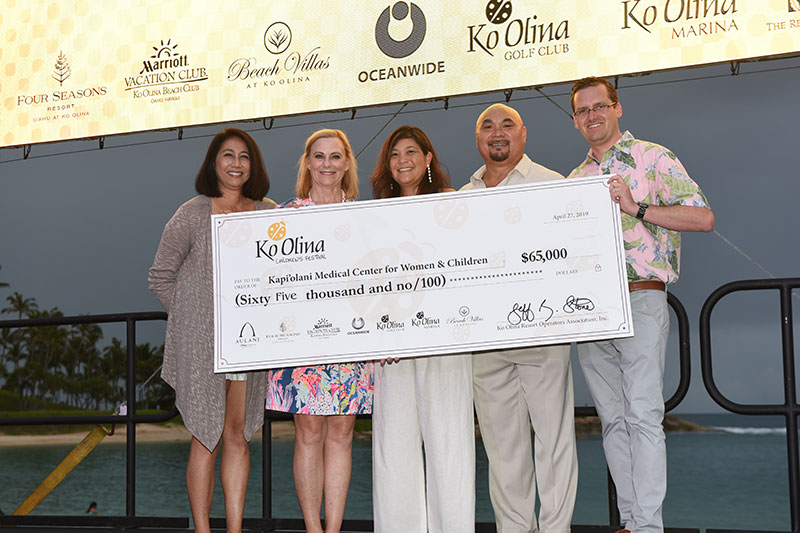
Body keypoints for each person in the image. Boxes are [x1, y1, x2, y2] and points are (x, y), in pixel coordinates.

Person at [568, 77, 714, 533]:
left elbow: (704, 217)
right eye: (582, 111)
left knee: (644, 415)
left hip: (642, 297)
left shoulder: (653, 157)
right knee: (612, 421)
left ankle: (650, 527)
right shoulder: (574, 180)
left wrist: (637, 208)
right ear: (575, 121)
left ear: (617, 109)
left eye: (599, 106)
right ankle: (631, 524)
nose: (592, 116)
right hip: (593, 310)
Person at [148, 128, 273, 533]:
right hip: (204, 347)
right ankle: (202, 529)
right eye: (227, 156)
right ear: (213, 163)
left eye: (244, 157)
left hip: (249, 342)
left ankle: (234, 528)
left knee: (237, 436)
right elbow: (160, 276)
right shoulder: (191, 214)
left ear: (252, 165)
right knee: (206, 435)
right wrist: (193, 323)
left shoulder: (268, 213)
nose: (236, 164)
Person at [461, 103, 578, 533]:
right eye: (487, 127)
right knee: (503, 449)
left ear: (523, 135)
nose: (497, 133)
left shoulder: (553, 184)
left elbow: (573, 254)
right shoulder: (463, 198)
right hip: (485, 343)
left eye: (506, 125)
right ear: (477, 140)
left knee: (554, 443)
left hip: (542, 335)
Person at [265, 129, 372, 533]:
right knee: (308, 430)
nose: (327, 164)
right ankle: (313, 528)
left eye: (335, 156)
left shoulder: (365, 217)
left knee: (342, 431)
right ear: (307, 162)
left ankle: (335, 528)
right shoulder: (282, 217)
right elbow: (270, 280)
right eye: (319, 156)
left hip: (352, 338)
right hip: (301, 340)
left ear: (347, 163)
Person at [369, 126, 474, 533]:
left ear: (429, 158)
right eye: (394, 154)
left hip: (445, 344)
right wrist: (382, 332)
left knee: (450, 447)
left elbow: (469, 272)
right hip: (391, 350)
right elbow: (369, 282)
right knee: (394, 452)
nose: (403, 161)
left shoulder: (453, 206)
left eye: (411, 152)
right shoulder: (375, 214)